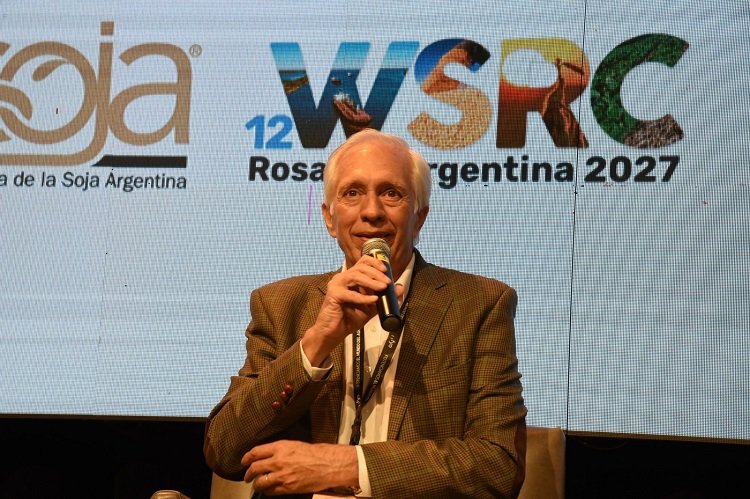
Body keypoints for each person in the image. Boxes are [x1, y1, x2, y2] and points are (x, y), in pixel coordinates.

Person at [204, 129, 527, 498]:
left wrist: (350, 466)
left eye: (391, 193)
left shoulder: (478, 304)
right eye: (352, 193)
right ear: (329, 218)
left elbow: (498, 465)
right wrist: (315, 344)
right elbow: (224, 451)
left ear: (419, 217)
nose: (372, 212)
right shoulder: (280, 304)